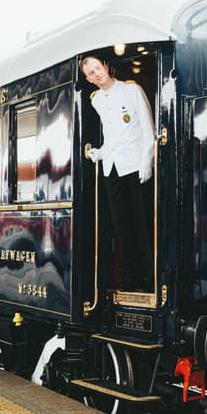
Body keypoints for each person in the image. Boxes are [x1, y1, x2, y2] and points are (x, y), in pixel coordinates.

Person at [81, 56, 156, 290]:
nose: (96, 74)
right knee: (122, 225)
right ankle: (134, 278)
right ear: (88, 79)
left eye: (97, 68)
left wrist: (147, 161)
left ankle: (151, 277)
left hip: (135, 165)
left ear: (105, 66)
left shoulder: (131, 90)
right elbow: (113, 136)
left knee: (142, 223)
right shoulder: (96, 101)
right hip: (112, 168)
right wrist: (99, 153)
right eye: (90, 73)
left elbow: (147, 128)